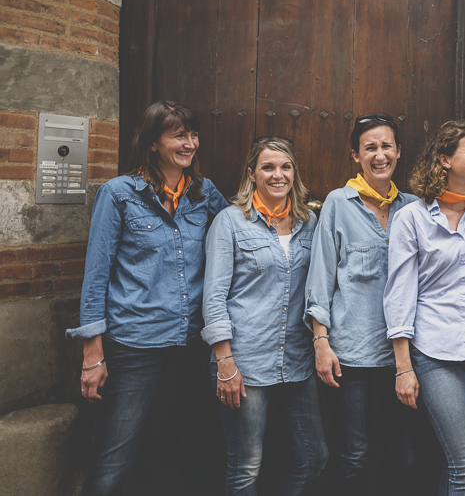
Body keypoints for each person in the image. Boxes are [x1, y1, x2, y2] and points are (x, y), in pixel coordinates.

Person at [68, 100, 228, 496]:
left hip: (187, 346)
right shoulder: (120, 194)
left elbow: (243, 229)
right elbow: (96, 274)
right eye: (178, 135)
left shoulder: (204, 193)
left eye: (192, 135)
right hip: (134, 347)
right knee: (114, 457)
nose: (189, 143)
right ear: (153, 142)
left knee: (169, 450)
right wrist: (93, 354)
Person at [383, 120, 465, 496]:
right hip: (435, 352)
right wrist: (403, 366)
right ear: (444, 160)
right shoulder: (413, 217)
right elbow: (399, 293)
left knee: (462, 463)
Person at [202, 136, 327, 495]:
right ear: (252, 174)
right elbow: (214, 298)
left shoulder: (309, 221)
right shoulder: (230, 222)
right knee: (246, 467)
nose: (278, 175)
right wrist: (224, 362)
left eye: (285, 167)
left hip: (297, 364)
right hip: (245, 363)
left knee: (313, 456)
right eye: (268, 167)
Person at [304, 113, 416, 493]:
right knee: (355, 452)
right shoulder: (339, 202)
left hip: (407, 356)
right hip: (351, 355)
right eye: (370, 147)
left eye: (386, 146)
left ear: (399, 151)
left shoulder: (413, 208)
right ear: (355, 155)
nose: (379, 154)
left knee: (405, 453)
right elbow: (320, 278)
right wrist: (321, 342)